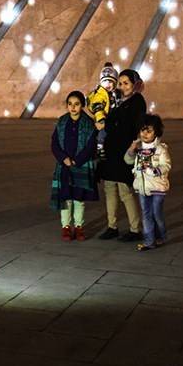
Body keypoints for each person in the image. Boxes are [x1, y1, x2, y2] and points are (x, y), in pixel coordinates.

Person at [98, 69, 146, 242]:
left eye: (126, 83)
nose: (122, 86)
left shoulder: (137, 101)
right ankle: (112, 226)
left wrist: (135, 146)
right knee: (109, 189)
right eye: (121, 83)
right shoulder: (116, 101)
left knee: (125, 191)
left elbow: (138, 126)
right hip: (111, 152)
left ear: (134, 85)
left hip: (124, 152)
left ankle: (135, 229)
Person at [50, 91, 99, 241]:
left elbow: (91, 146)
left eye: (77, 104)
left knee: (79, 198)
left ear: (82, 106)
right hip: (64, 166)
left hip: (80, 165)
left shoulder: (89, 123)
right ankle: (66, 227)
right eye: (70, 104)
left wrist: (77, 160)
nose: (73, 107)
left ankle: (79, 227)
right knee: (66, 198)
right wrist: (63, 158)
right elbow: (54, 143)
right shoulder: (61, 122)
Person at [124, 114, 171, 251]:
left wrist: (154, 171)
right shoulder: (138, 149)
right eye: (143, 130)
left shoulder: (161, 149)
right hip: (142, 187)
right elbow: (127, 160)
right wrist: (131, 149)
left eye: (149, 131)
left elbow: (166, 165)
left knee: (156, 214)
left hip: (157, 187)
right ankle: (149, 241)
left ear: (156, 132)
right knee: (146, 214)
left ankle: (161, 236)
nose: (145, 133)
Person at [85, 62, 119, 160]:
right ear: (101, 82)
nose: (108, 84)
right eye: (105, 81)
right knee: (102, 133)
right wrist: (101, 119)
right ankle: (100, 147)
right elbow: (97, 107)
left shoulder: (113, 94)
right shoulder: (100, 94)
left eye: (111, 82)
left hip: (112, 119)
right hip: (102, 119)